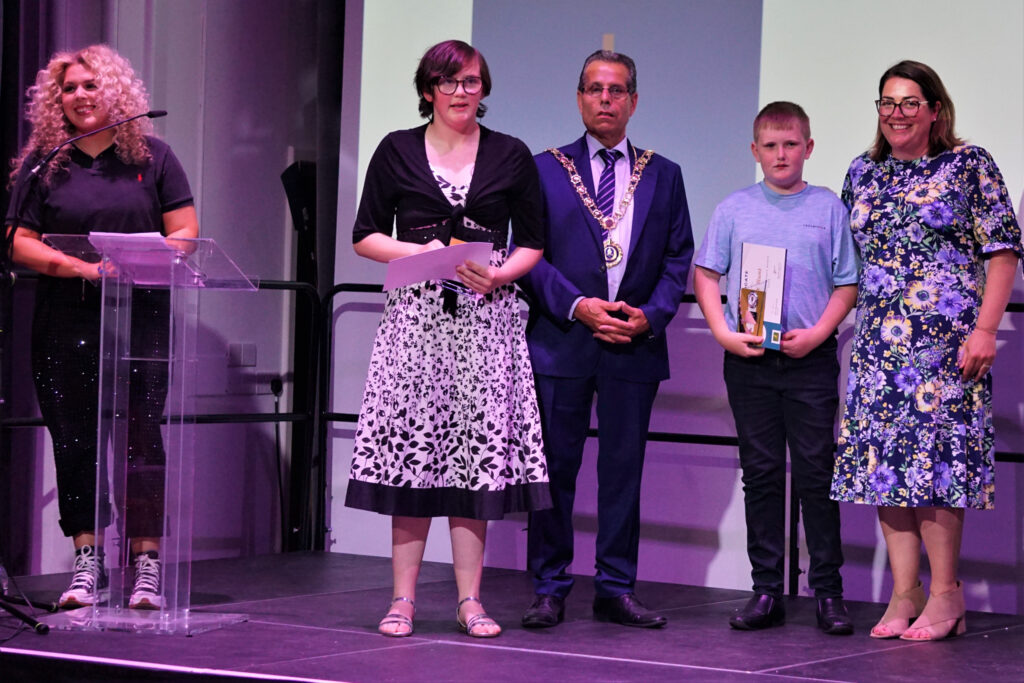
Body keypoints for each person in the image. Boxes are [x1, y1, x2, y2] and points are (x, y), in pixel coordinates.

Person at [344, 39, 550, 639]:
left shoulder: (511, 154)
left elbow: (533, 243)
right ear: (429, 87)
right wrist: (422, 254)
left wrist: (500, 273)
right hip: (416, 324)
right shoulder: (395, 149)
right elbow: (364, 236)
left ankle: (469, 601)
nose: (463, 92)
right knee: (412, 457)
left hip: (487, 324)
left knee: (473, 460)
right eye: (451, 81)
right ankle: (402, 600)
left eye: (473, 81)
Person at [831, 60, 1022, 640]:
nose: (896, 113)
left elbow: (1003, 249)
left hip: (947, 348)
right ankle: (904, 592)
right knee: (885, 473)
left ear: (935, 109)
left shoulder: (969, 164)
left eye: (909, 102)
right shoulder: (863, 172)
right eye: (887, 102)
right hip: (879, 349)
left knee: (938, 471)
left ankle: (946, 595)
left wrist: (986, 329)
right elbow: (845, 260)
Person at [4, 45, 198, 610]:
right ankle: (87, 562)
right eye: (69, 88)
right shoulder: (45, 162)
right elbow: (17, 239)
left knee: (142, 437)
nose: (81, 96)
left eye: (91, 85)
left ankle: (145, 564)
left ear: (115, 90)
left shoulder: (154, 157)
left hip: (141, 314)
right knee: (75, 437)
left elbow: (185, 230)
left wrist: (140, 260)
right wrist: (81, 268)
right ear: (54, 101)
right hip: (66, 315)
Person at [518, 49, 693, 629]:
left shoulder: (664, 173)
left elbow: (678, 258)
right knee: (554, 472)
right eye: (594, 88)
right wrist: (577, 305)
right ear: (579, 98)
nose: (605, 99)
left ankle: (616, 587)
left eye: (617, 90)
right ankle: (549, 586)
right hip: (562, 340)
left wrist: (651, 315)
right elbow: (528, 256)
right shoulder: (542, 169)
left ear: (634, 101)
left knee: (622, 472)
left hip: (633, 343)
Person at [694, 102, 859, 634]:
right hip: (750, 363)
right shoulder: (734, 207)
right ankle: (766, 590)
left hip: (809, 363)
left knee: (816, 475)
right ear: (755, 151)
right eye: (770, 145)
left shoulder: (829, 208)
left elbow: (847, 283)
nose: (781, 154)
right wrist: (723, 331)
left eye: (791, 144)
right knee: (761, 476)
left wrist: (816, 334)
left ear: (808, 148)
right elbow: (705, 274)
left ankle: (828, 594)